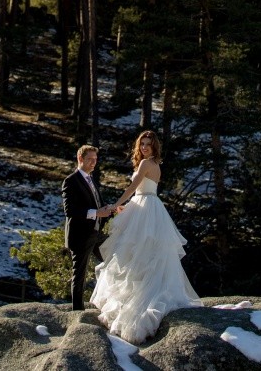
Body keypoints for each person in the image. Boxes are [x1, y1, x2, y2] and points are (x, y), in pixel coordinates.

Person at [91, 130, 202, 344]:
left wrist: (115, 205)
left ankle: (137, 302)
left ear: (154, 147)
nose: (144, 147)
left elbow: (133, 188)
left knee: (135, 254)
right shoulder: (155, 165)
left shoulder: (145, 164)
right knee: (145, 255)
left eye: (148, 144)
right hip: (150, 206)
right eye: (142, 144)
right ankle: (142, 295)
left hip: (144, 205)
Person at [62, 144, 114, 311]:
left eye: (95, 159)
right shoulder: (70, 181)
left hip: (96, 233)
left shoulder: (91, 180)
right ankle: (77, 312)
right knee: (80, 275)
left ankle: (113, 301)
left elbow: (98, 204)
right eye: (90, 159)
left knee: (115, 259)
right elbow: (70, 210)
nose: (93, 163)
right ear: (80, 159)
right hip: (79, 236)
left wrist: (112, 209)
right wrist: (96, 213)